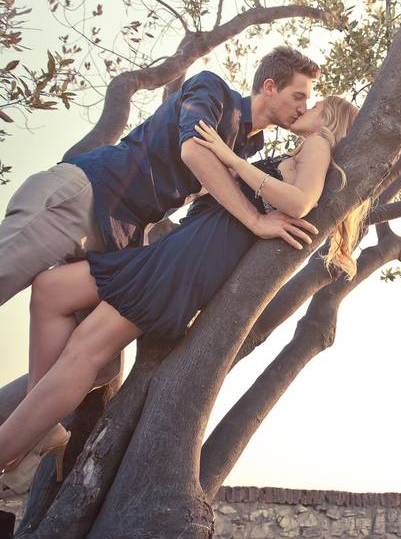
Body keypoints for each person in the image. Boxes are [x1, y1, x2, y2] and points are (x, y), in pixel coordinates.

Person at [0, 95, 369, 494]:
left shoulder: (318, 144)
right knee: (52, 289)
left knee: (83, 353)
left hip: (188, 264)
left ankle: (7, 449)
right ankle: (41, 431)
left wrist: (231, 159)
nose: (304, 110)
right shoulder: (299, 152)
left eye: (313, 106)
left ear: (329, 119)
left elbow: (299, 203)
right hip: (177, 251)